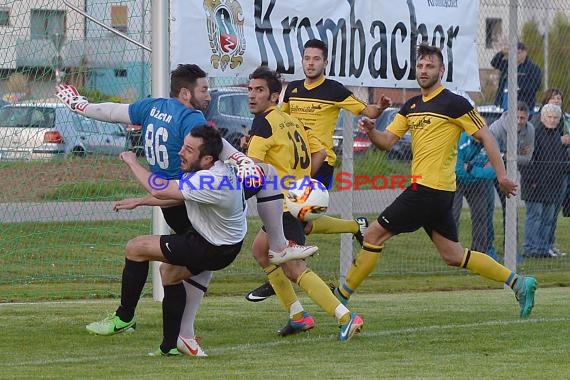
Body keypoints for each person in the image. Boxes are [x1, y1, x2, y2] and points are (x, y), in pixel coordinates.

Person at [54, 65, 316, 355]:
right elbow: (213, 147)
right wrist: (240, 159)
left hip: (193, 211)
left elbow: (113, 113)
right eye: (204, 89)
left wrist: (81, 105)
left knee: (162, 258)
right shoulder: (191, 118)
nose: (208, 95)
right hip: (189, 205)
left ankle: (130, 319)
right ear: (185, 93)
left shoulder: (154, 107)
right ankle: (181, 338)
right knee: (174, 272)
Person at [332, 43, 538, 320]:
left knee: (372, 235)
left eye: (430, 66)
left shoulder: (454, 103)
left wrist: (501, 175)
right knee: (453, 255)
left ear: (442, 70)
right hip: (434, 192)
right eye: (420, 65)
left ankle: (339, 299)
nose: (424, 70)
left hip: (428, 189)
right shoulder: (411, 106)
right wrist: (370, 130)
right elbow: (386, 142)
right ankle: (519, 283)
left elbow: (487, 136)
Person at [246, 38, 383, 302]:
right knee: (300, 226)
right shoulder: (294, 89)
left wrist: (382, 107)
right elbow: (278, 117)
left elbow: (368, 110)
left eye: (316, 59)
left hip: (321, 161)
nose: (310, 63)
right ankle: (356, 225)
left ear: (325, 62)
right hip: (293, 161)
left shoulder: (334, 90)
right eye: (307, 58)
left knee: (295, 224)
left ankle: (281, 280)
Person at [246, 66, 363, 340]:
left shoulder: (263, 123)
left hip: (283, 208)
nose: (252, 95)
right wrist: (301, 180)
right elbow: (320, 151)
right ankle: (298, 316)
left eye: (259, 90)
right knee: (260, 251)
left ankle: (346, 317)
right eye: (250, 89)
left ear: (274, 96)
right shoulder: (291, 120)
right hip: (294, 201)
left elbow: (253, 169)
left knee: (293, 268)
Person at [117, 125, 246, 356]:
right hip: (219, 243)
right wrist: (140, 202)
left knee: (135, 248)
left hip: (211, 247)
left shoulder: (211, 179)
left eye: (188, 149)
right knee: (169, 273)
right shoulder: (213, 170)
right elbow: (177, 197)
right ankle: (172, 346)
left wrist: (132, 162)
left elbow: (160, 189)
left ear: (207, 158)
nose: (181, 152)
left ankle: (124, 317)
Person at [521, 104, 570, 258]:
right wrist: (532, 180)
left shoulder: (557, 135)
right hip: (535, 184)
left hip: (553, 184)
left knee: (548, 219)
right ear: (542, 118)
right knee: (535, 217)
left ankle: (543, 248)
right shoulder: (533, 134)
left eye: (555, 118)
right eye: (549, 117)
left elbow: (562, 159)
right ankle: (530, 248)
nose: (552, 120)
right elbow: (526, 161)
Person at [489, 101, 535, 254]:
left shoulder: (529, 130)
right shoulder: (496, 128)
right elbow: (489, 153)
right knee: (486, 209)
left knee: (510, 209)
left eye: (523, 118)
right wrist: (513, 155)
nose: (519, 121)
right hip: (489, 170)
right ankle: (487, 247)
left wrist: (505, 156)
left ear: (527, 118)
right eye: (517, 117)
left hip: (510, 172)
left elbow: (528, 159)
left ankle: (511, 248)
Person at [452, 132, 498, 260]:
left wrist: (471, 169)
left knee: (481, 216)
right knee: (453, 216)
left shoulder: (491, 142)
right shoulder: (461, 141)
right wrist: (481, 171)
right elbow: (458, 170)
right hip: (456, 181)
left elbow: (494, 172)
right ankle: (453, 251)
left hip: (477, 183)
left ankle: (479, 252)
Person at [490, 42, 542, 111]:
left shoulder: (533, 68)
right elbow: (494, 63)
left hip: (523, 104)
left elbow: (535, 86)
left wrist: (518, 86)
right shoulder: (508, 65)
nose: (516, 55)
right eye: (514, 53)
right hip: (504, 104)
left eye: (519, 52)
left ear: (525, 53)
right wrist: (502, 53)